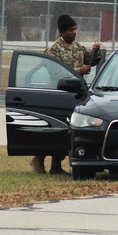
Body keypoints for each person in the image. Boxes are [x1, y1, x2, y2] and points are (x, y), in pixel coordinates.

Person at [31, 14, 103, 175]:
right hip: (60, 94)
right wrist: (79, 70)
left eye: (75, 29)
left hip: (77, 95)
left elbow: (90, 60)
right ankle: (38, 158)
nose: (74, 32)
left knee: (69, 131)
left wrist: (95, 52)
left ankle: (56, 166)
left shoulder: (77, 47)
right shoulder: (53, 50)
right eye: (71, 30)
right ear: (63, 31)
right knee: (56, 129)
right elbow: (55, 71)